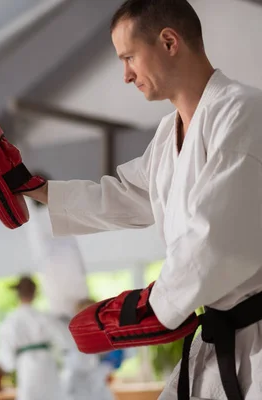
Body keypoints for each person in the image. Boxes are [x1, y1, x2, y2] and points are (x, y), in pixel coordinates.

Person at [22, 0, 262, 398]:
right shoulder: (169, 133)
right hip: (218, 337)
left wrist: (145, 310)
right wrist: (38, 190)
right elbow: (126, 195)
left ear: (169, 42)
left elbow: (215, 240)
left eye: (129, 57)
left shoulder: (243, 113)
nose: (126, 75)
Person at [25, 171, 89, 322]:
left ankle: (39, 194)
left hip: (53, 263)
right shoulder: (80, 297)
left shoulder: (59, 310)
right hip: (64, 261)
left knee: (38, 226)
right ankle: (44, 193)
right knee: (54, 222)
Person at [0, 275, 69, 400]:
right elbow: (64, 341)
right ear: (35, 293)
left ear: (17, 294)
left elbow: (6, 354)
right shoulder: (45, 317)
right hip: (46, 362)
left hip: (26, 364)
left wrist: (11, 366)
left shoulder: (10, 321)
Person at [60, 298, 117, 400]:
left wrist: (107, 367)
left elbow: (113, 356)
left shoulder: (104, 332)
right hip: (77, 385)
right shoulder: (70, 335)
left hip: (98, 385)